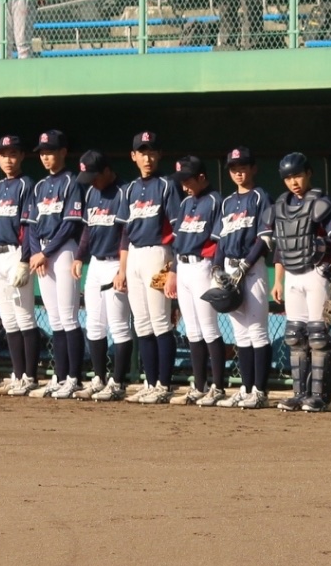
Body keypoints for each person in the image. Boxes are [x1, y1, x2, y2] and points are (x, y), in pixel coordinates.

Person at [271, 152, 331, 412]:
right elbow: (281, 246)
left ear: (308, 173)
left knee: (318, 336)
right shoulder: (281, 205)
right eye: (289, 177)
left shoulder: (321, 202)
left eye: (298, 175)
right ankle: (299, 394)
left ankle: (319, 396)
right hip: (291, 274)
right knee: (294, 335)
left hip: (316, 272)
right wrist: (277, 280)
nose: (294, 182)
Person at [116, 131, 179, 405]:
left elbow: (178, 229)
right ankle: (150, 382)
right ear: (133, 156)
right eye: (142, 152)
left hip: (158, 254)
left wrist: (173, 267)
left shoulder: (167, 185)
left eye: (152, 151)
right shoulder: (129, 189)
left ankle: (164, 384)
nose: (147, 157)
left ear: (159, 154)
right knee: (141, 323)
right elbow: (125, 233)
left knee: (160, 321)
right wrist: (122, 268)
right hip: (135, 257)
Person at [25, 130, 87, 400]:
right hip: (44, 254)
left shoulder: (72, 181)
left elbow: (70, 222)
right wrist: (36, 252)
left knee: (69, 316)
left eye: (51, 151)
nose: (46, 156)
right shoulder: (38, 187)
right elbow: (29, 225)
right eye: (42, 152)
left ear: (63, 152)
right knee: (55, 319)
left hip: (63, 252)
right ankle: (60, 376)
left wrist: (46, 252)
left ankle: (74, 377)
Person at [213, 146, 276, 407]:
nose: (239, 172)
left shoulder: (261, 197)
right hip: (229, 267)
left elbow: (264, 238)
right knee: (240, 334)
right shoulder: (227, 202)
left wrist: (246, 265)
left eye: (243, 167)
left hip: (252, 269)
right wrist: (217, 268)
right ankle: (246, 387)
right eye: (234, 168)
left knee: (257, 331)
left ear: (253, 168)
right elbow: (220, 240)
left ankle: (260, 391)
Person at [169, 155, 228, 405]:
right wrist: (172, 270)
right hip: (182, 267)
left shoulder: (217, 201)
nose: (184, 185)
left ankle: (218, 387)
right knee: (192, 330)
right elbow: (177, 241)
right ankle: (200, 385)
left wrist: (214, 267)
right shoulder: (185, 204)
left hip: (202, 266)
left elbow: (218, 241)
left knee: (209, 328)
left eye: (188, 180)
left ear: (202, 177)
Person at [0, 134, 40, 396]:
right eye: (3, 154)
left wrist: (25, 260)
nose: (9, 159)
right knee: (8, 320)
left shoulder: (26, 185)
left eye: (13, 153)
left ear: (21, 156)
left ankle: (30, 376)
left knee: (25, 316)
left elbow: (29, 227)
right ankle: (18, 375)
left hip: (16, 253)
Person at [77, 150, 134, 401]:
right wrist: (80, 255)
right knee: (94, 325)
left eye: (94, 176)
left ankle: (118, 382)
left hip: (116, 263)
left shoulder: (124, 191)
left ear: (107, 170)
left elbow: (126, 233)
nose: (91, 181)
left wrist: (123, 269)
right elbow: (88, 229)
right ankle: (99, 378)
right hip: (96, 264)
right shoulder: (91, 192)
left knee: (119, 326)